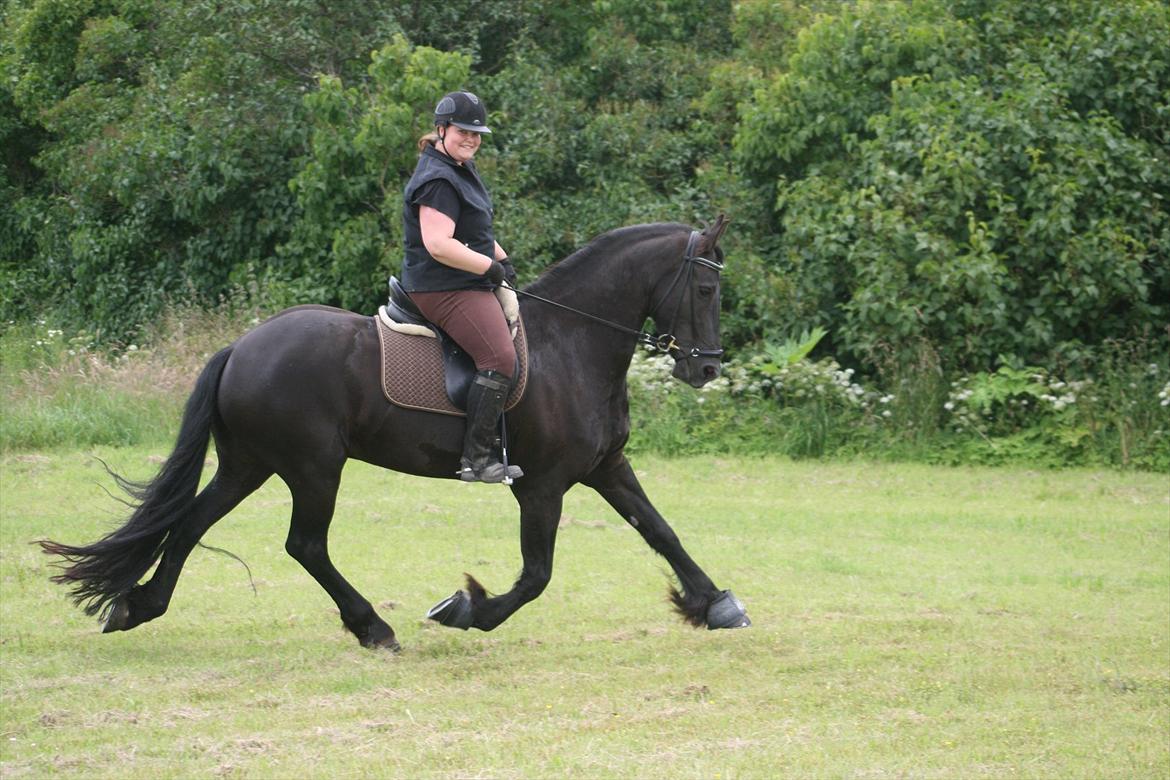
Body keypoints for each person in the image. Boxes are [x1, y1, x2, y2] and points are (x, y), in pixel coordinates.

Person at [400, 90, 522, 484]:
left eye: (477, 133)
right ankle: (477, 458)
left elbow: (476, 230)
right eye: (463, 131)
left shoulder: (459, 167)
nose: (471, 138)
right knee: (501, 359)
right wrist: (489, 268)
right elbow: (439, 244)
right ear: (442, 130)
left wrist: (502, 260)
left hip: (462, 278)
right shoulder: (437, 178)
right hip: (442, 286)